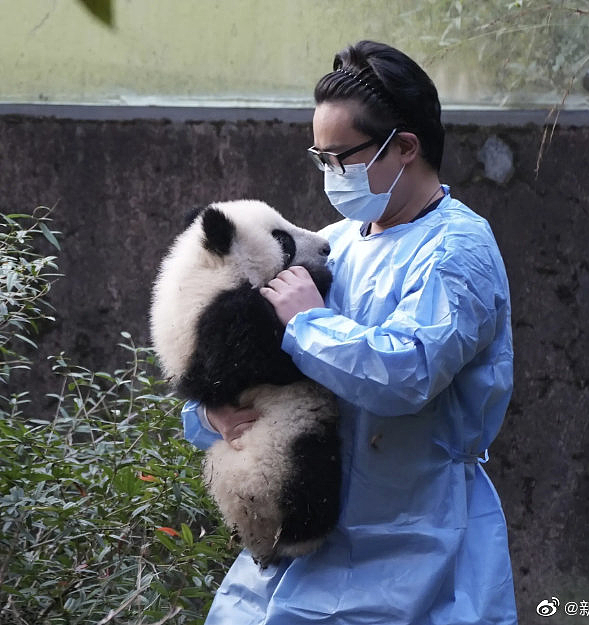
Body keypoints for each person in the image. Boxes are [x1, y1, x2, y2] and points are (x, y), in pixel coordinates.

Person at [181, 40, 518, 625]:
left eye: (343, 158)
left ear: (406, 147)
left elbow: (408, 373)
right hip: (305, 543)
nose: (331, 174)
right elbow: (240, 368)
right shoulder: (334, 241)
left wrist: (308, 323)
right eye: (321, 158)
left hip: (412, 545)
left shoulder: (458, 251)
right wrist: (210, 417)